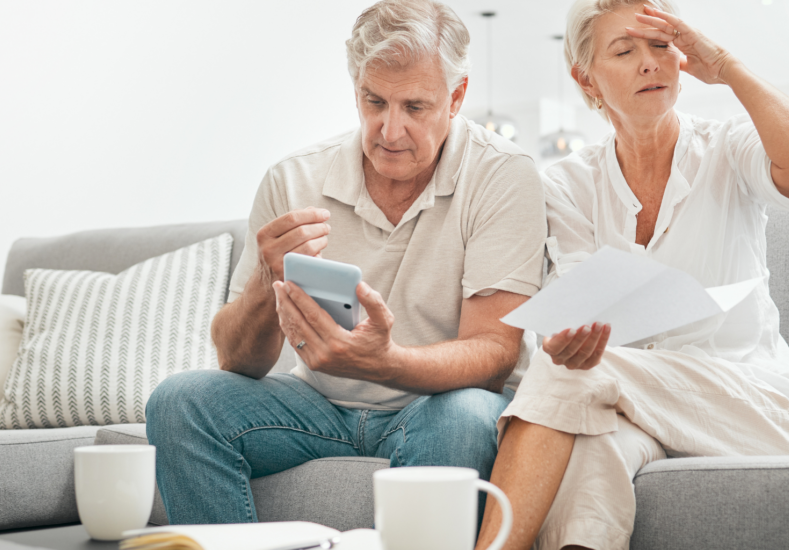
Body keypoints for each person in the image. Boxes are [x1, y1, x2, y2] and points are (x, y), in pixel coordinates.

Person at [145, 0, 547, 525]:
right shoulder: (292, 180)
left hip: (437, 405)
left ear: (457, 96)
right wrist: (268, 279)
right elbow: (237, 362)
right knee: (179, 402)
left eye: (415, 107)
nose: (389, 129)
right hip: (317, 405)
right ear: (355, 85)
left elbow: (494, 353)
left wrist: (385, 362)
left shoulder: (503, 176)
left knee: (466, 417)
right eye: (374, 101)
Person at [475, 1, 789, 549]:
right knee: (589, 454)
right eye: (624, 51)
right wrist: (571, 340)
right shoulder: (568, 184)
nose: (650, 63)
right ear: (586, 78)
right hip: (635, 404)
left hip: (752, 404)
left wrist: (725, 66)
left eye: (663, 46)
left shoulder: (728, 146)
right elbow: (580, 307)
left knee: (567, 379)